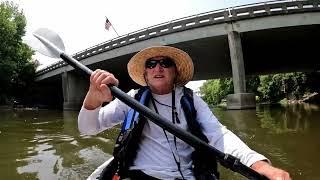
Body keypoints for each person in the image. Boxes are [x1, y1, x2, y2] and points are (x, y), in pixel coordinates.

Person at [78, 46, 291, 180]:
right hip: (141, 175)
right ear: (145, 73)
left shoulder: (191, 100)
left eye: (165, 63)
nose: (157, 67)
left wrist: (258, 164)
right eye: (151, 64)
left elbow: (219, 134)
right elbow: (87, 129)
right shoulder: (132, 98)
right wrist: (93, 99)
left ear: (175, 71)